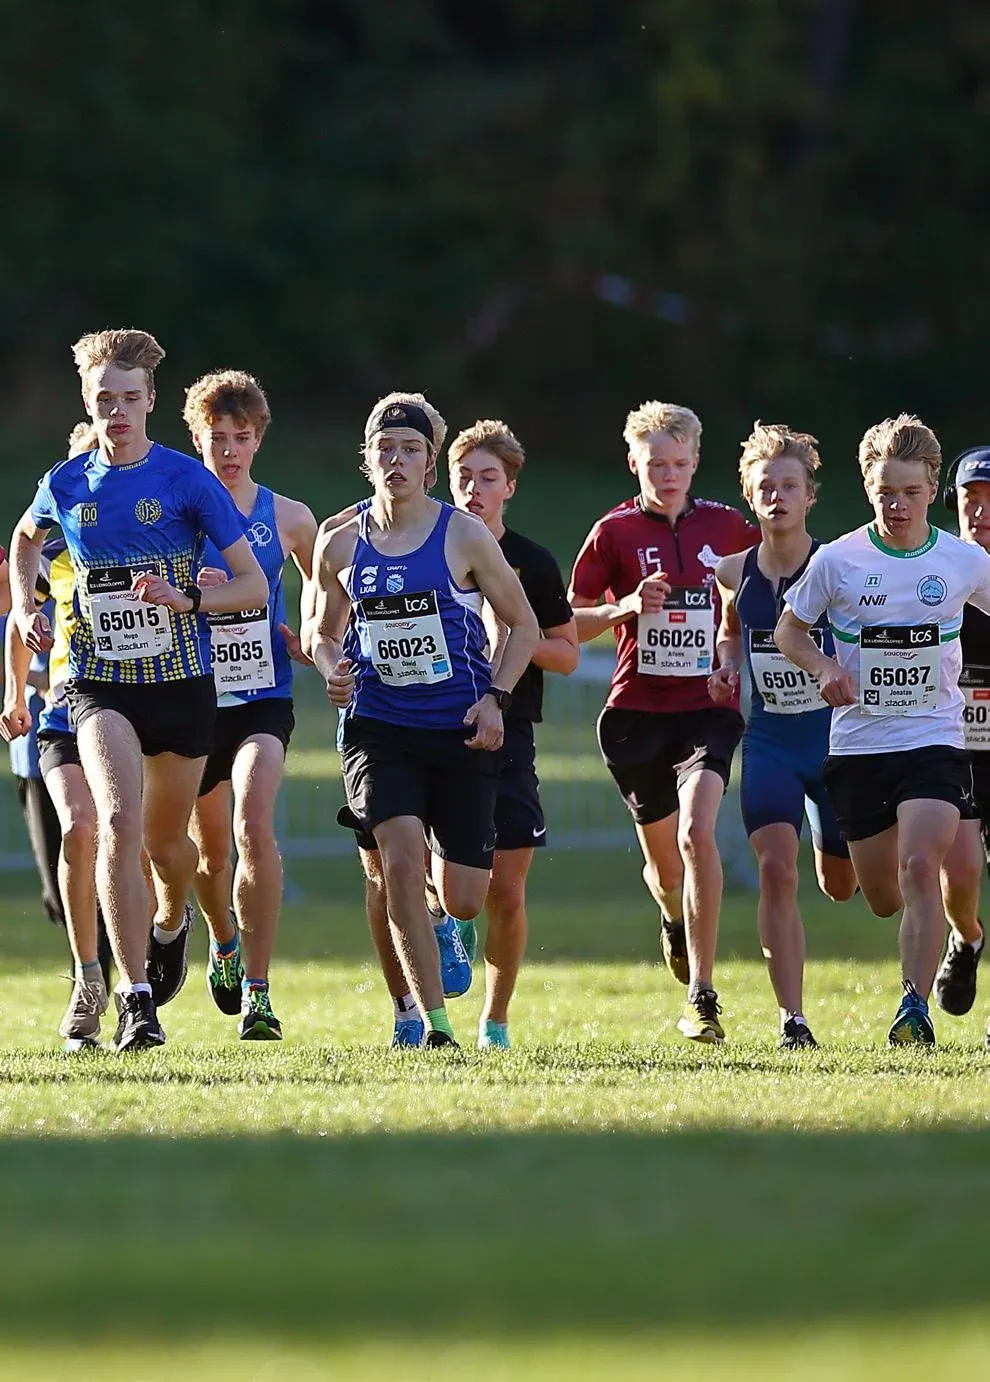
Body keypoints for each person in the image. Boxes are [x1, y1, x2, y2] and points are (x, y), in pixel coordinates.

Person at [8, 329, 267, 1053]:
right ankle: (137, 999)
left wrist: (186, 599)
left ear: (151, 400)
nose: (115, 412)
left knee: (167, 847)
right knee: (116, 824)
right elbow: (27, 539)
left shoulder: (187, 481)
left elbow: (249, 583)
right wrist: (28, 606)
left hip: (181, 686)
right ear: (86, 403)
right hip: (98, 685)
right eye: (102, 400)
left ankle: (173, 919)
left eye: (128, 399)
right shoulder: (65, 481)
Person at [309, 393, 539, 1049]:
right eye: (385, 449)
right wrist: (332, 666)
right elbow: (319, 631)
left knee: (466, 897)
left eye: (411, 450)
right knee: (399, 861)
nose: (397, 460)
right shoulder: (339, 540)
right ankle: (435, 1026)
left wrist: (495, 697)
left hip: (457, 725)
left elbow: (522, 626)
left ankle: (445, 918)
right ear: (368, 459)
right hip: (378, 727)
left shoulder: (462, 535)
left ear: (430, 466)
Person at [776, 414, 990, 1046]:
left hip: (936, 739)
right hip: (861, 745)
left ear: (932, 489)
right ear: (868, 488)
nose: (898, 506)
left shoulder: (961, 560)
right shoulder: (838, 560)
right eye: (885, 493)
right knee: (882, 896)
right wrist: (823, 666)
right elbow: (790, 630)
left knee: (924, 865)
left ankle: (913, 1009)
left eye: (912, 493)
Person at [569, 401, 758, 1044]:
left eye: (679, 463)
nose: (668, 474)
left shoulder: (730, 527)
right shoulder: (613, 532)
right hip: (635, 716)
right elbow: (568, 623)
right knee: (665, 867)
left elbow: (763, 601)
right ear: (634, 463)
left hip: (708, 708)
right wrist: (624, 607)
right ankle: (673, 920)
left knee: (696, 834)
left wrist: (733, 656)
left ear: (696, 462)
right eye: (655, 463)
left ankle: (702, 995)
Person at [710, 423, 857, 1049]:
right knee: (777, 870)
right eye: (766, 486)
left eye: (789, 486)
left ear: (809, 496)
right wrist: (724, 664)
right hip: (769, 740)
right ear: (750, 494)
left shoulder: (838, 568)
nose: (778, 497)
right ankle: (793, 1020)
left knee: (842, 885)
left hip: (836, 745)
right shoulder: (732, 570)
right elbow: (732, 631)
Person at [182, 369, 317, 1041]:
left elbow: (327, 589)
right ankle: (223, 942)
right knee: (210, 857)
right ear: (197, 440)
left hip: (264, 694)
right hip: (194, 697)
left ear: (260, 439)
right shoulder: (176, 515)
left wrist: (315, 638)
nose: (228, 451)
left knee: (253, 826)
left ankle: (260, 993)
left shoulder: (289, 517)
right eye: (216, 438)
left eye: (241, 437)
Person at [445, 419, 578, 1048]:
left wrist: (514, 642)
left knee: (507, 886)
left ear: (510, 487)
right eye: (463, 477)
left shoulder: (531, 561)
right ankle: (448, 916)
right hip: (435, 724)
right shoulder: (431, 547)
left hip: (511, 731)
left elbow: (568, 652)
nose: (474, 489)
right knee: (426, 859)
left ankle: (495, 1021)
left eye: (488, 478)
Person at [930, 448, 990, 1029]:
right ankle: (967, 937)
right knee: (961, 872)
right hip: (956, 744)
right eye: (972, 500)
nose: (982, 512)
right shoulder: (940, 569)